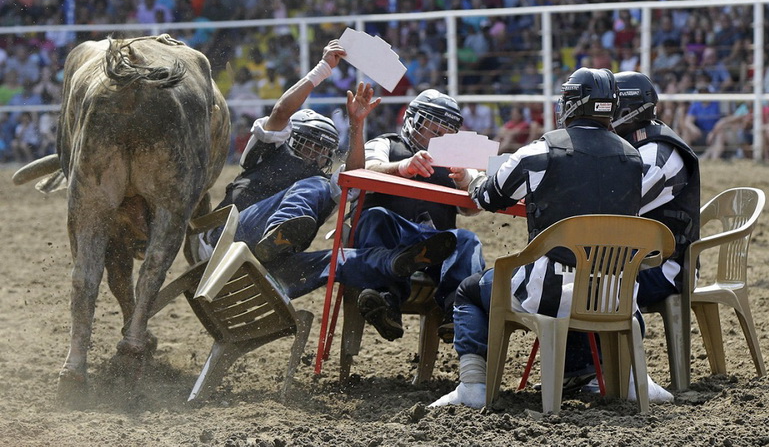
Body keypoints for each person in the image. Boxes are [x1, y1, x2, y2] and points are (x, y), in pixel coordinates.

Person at [430, 68, 645, 408]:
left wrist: (472, 178)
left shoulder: (542, 150)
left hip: (550, 294)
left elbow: (488, 197)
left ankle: (472, 386)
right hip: (615, 296)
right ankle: (618, 377)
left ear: (571, 105)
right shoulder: (635, 158)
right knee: (581, 273)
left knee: (469, 290)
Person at [201, 41, 456, 315]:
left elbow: (354, 178)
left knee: (340, 259)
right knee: (317, 186)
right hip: (227, 238)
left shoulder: (319, 184)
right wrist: (322, 69)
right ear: (291, 137)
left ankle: (395, 262)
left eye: (322, 150)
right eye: (308, 143)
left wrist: (356, 125)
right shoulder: (265, 151)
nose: (314, 154)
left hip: (272, 266)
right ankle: (279, 232)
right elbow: (280, 113)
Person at [354, 89, 486, 343]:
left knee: (468, 241)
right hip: (393, 242)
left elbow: (472, 208)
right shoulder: (387, 144)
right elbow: (367, 169)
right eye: (434, 131)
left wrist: (465, 180)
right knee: (375, 217)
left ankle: (457, 309)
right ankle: (385, 299)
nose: (439, 139)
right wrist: (402, 168)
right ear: (412, 122)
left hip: (435, 244)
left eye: (447, 134)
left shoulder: (455, 163)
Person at [612, 72, 700, 319]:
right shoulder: (643, 142)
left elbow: (611, 207)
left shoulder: (655, 158)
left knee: (578, 289)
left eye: (610, 107)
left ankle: (605, 355)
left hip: (665, 270)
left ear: (626, 111)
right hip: (643, 259)